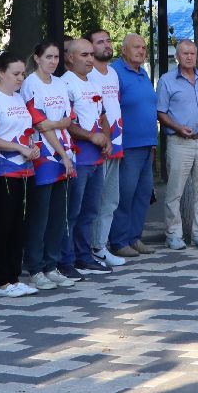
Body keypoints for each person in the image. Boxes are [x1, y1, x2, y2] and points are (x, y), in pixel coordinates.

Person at [0, 53, 39, 298]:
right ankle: (2, 280)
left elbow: (25, 130)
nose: (21, 78)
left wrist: (32, 146)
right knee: (3, 225)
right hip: (0, 170)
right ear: (0, 72)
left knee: (19, 225)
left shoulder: (18, 98)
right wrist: (18, 148)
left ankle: (14, 277)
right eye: (15, 74)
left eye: (23, 73)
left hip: (25, 169)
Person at [22, 40, 78, 286]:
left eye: (56, 57)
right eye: (48, 57)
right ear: (37, 58)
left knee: (59, 214)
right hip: (44, 156)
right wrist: (62, 153)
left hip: (64, 152)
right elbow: (40, 125)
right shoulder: (30, 84)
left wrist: (56, 127)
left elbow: (68, 119)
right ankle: (35, 268)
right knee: (40, 215)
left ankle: (51, 265)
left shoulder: (60, 83)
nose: (53, 62)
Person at [60, 38, 113, 278]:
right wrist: (91, 137)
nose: (90, 59)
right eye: (84, 55)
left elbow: (102, 115)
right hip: (78, 159)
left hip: (96, 160)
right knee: (72, 212)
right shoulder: (64, 84)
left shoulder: (93, 81)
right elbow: (66, 123)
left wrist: (107, 138)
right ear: (70, 58)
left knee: (90, 211)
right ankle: (66, 259)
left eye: (91, 54)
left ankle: (84, 256)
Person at [156, 39, 198, 250]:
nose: (189, 57)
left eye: (192, 53)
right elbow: (160, 112)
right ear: (177, 56)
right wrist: (178, 127)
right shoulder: (167, 80)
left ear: (196, 56)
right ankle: (173, 234)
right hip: (180, 142)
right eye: (185, 53)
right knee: (175, 191)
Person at [109, 34, 157, 257]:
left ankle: (134, 237)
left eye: (144, 48)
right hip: (127, 145)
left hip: (147, 143)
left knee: (143, 193)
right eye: (136, 47)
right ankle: (118, 241)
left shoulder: (143, 73)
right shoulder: (116, 72)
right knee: (125, 194)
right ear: (124, 50)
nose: (141, 51)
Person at [85, 29, 126, 268]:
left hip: (116, 143)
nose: (106, 45)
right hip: (98, 146)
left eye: (108, 40)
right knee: (94, 201)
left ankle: (101, 246)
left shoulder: (112, 73)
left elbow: (114, 108)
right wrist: (102, 139)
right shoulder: (88, 76)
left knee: (111, 199)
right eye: (99, 42)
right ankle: (88, 248)